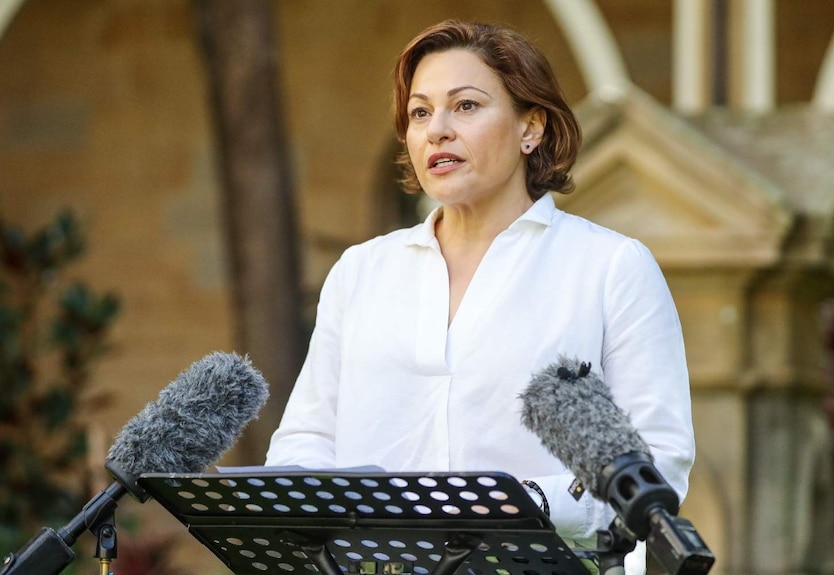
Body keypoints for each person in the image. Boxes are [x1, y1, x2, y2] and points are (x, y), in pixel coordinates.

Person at [266, 19, 695, 575]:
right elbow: (307, 438)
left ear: (530, 128)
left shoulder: (610, 267)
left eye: (465, 106)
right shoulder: (361, 272)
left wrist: (520, 506)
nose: (437, 130)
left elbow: (658, 463)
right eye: (420, 113)